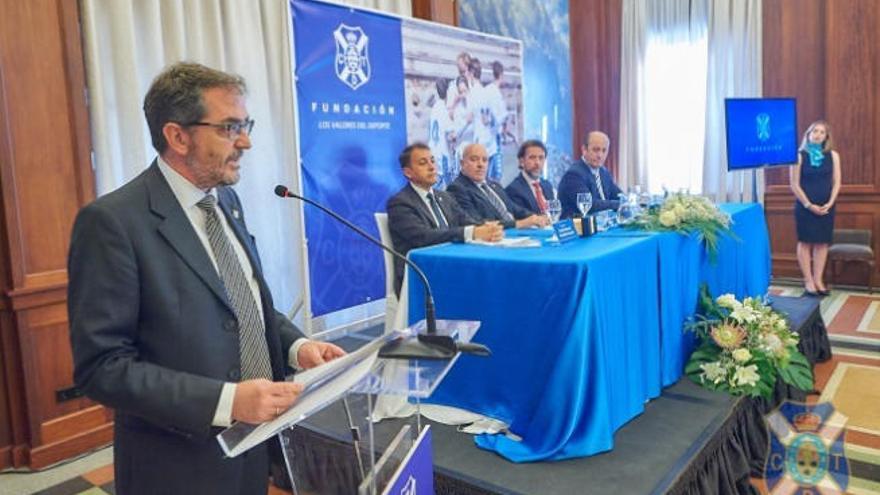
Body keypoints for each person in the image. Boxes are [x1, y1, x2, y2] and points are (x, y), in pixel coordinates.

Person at [67, 62, 346, 495]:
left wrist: (297, 346)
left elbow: (240, 301)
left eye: (245, 124)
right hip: (177, 464)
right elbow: (102, 368)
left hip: (252, 446)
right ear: (177, 136)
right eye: (230, 127)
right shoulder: (112, 223)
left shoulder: (226, 202)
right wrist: (227, 401)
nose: (246, 141)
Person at [387, 143, 503, 294]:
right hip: (421, 276)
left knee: (494, 278)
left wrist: (487, 228)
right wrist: (472, 232)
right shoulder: (400, 203)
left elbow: (466, 221)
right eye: (423, 163)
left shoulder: (444, 197)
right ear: (408, 172)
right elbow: (424, 237)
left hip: (452, 266)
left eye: (432, 161)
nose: (431, 167)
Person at [790, 120, 841, 296]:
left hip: (827, 207)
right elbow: (794, 185)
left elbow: (837, 182)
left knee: (822, 243)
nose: (817, 135)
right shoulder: (799, 155)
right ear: (808, 134)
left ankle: (818, 279)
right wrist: (809, 205)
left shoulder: (833, 155)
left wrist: (830, 202)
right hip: (805, 207)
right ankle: (808, 281)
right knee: (805, 242)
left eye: (821, 132)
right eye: (814, 131)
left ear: (826, 137)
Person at [447, 143, 549, 229]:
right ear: (462, 163)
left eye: (484, 160)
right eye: (474, 159)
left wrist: (536, 218)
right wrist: (519, 223)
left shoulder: (494, 186)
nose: (480, 164)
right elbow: (476, 223)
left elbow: (515, 209)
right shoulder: (457, 188)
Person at [558, 131, 622, 218]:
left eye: (604, 150)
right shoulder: (574, 175)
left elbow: (618, 195)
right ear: (584, 150)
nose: (600, 155)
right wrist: (620, 204)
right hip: (577, 227)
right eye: (596, 150)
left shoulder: (603, 172)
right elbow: (590, 205)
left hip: (602, 225)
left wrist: (630, 201)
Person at [505, 139, 556, 215]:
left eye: (541, 158)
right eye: (532, 157)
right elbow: (524, 218)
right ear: (521, 161)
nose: (537, 163)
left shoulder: (547, 185)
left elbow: (555, 213)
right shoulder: (513, 190)